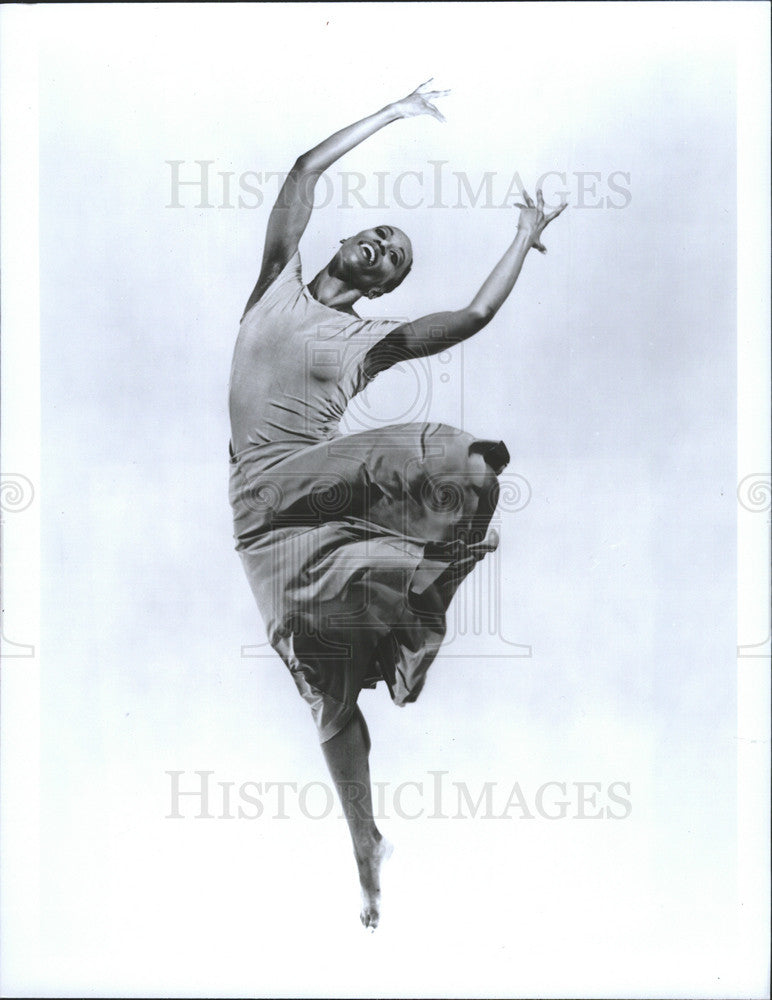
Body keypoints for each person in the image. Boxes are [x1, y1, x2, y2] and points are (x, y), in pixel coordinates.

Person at [228, 80, 566, 929]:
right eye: (379, 233)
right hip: (257, 514)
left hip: (313, 474)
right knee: (324, 683)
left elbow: (475, 313)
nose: (381, 246)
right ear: (346, 241)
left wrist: (524, 234)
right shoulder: (278, 283)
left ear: (385, 289)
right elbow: (303, 169)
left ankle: (463, 482)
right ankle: (365, 847)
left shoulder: (367, 342)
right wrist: (394, 113)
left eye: (396, 255)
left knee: (403, 455)